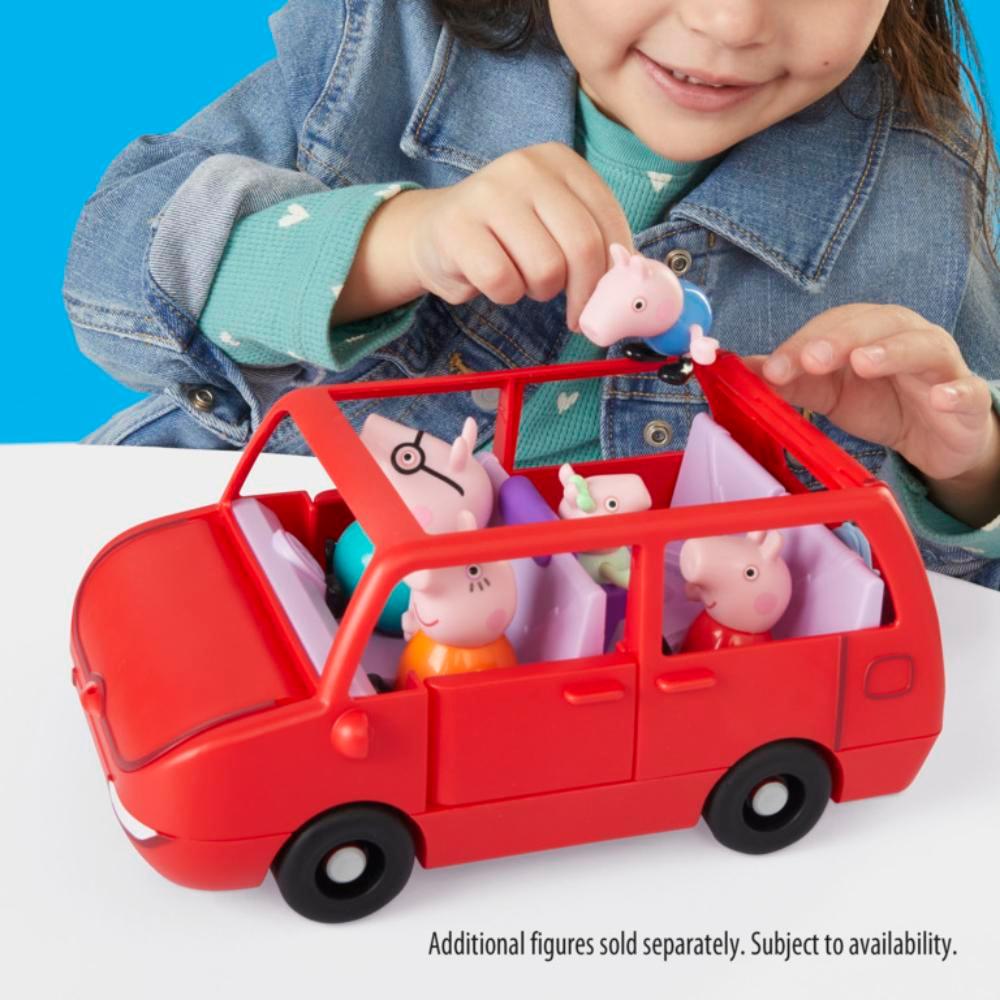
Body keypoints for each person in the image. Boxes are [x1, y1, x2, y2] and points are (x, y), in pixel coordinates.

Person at [64, 0, 1000, 588]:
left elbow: (954, 589)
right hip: (226, 563)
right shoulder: (387, 48)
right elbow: (110, 271)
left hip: (581, 673)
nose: (728, 22)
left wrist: (969, 473)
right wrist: (398, 240)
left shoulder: (922, 187)